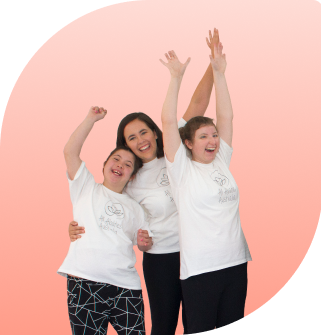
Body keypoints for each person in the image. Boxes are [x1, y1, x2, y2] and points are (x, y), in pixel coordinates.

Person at [68, 30, 221, 335]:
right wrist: (75, 228)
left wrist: (214, 65)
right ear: (124, 146)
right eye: (131, 138)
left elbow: (198, 103)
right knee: (163, 326)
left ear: (155, 131)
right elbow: (101, 205)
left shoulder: (178, 148)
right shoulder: (129, 176)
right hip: (160, 259)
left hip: (198, 250)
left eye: (143, 132)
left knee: (198, 324)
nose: (140, 140)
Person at [160, 31, 252, 333]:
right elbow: (170, 122)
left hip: (236, 263)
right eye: (204, 136)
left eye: (213, 135)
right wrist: (175, 78)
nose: (213, 140)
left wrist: (219, 72)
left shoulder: (221, 159)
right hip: (200, 270)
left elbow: (227, 116)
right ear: (188, 143)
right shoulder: (181, 171)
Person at [57, 106, 153, 335]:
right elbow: (70, 151)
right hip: (84, 283)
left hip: (126, 287)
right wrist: (91, 119)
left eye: (128, 164)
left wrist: (144, 243)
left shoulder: (137, 208)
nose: (120, 164)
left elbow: (143, 243)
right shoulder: (85, 188)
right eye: (116, 159)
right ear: (104, 165)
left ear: (132, 176)